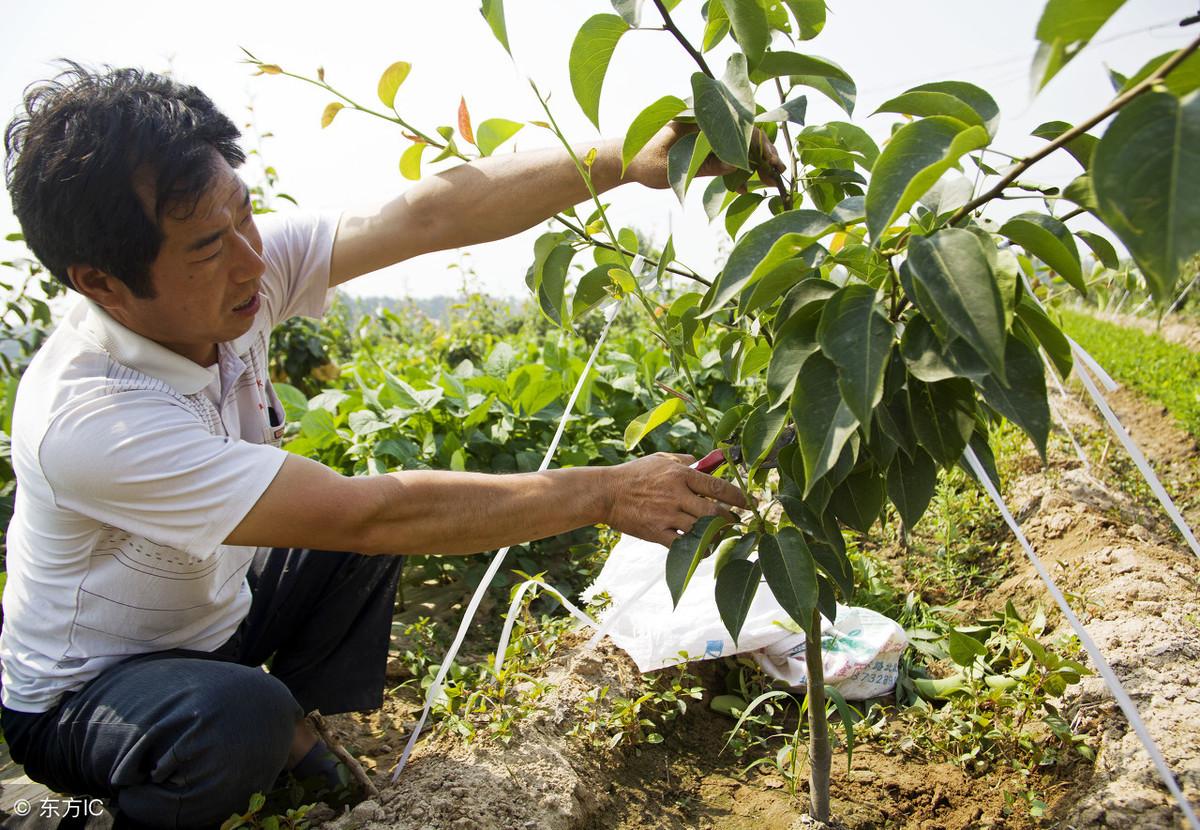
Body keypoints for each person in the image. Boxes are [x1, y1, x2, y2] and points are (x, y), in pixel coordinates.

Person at [0, 63, 765, 828]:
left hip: (213, 619)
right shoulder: (93, 418)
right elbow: (369, 515)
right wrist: (607, 490)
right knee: (238, 717)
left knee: (327, 574)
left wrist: (625, 160)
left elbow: (430, 215)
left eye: (246, 214)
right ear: (102, 282)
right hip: (90, 696)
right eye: (208, 246)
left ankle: (292, 734)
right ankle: (95, 812)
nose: (252, 261)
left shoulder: (236, 271)